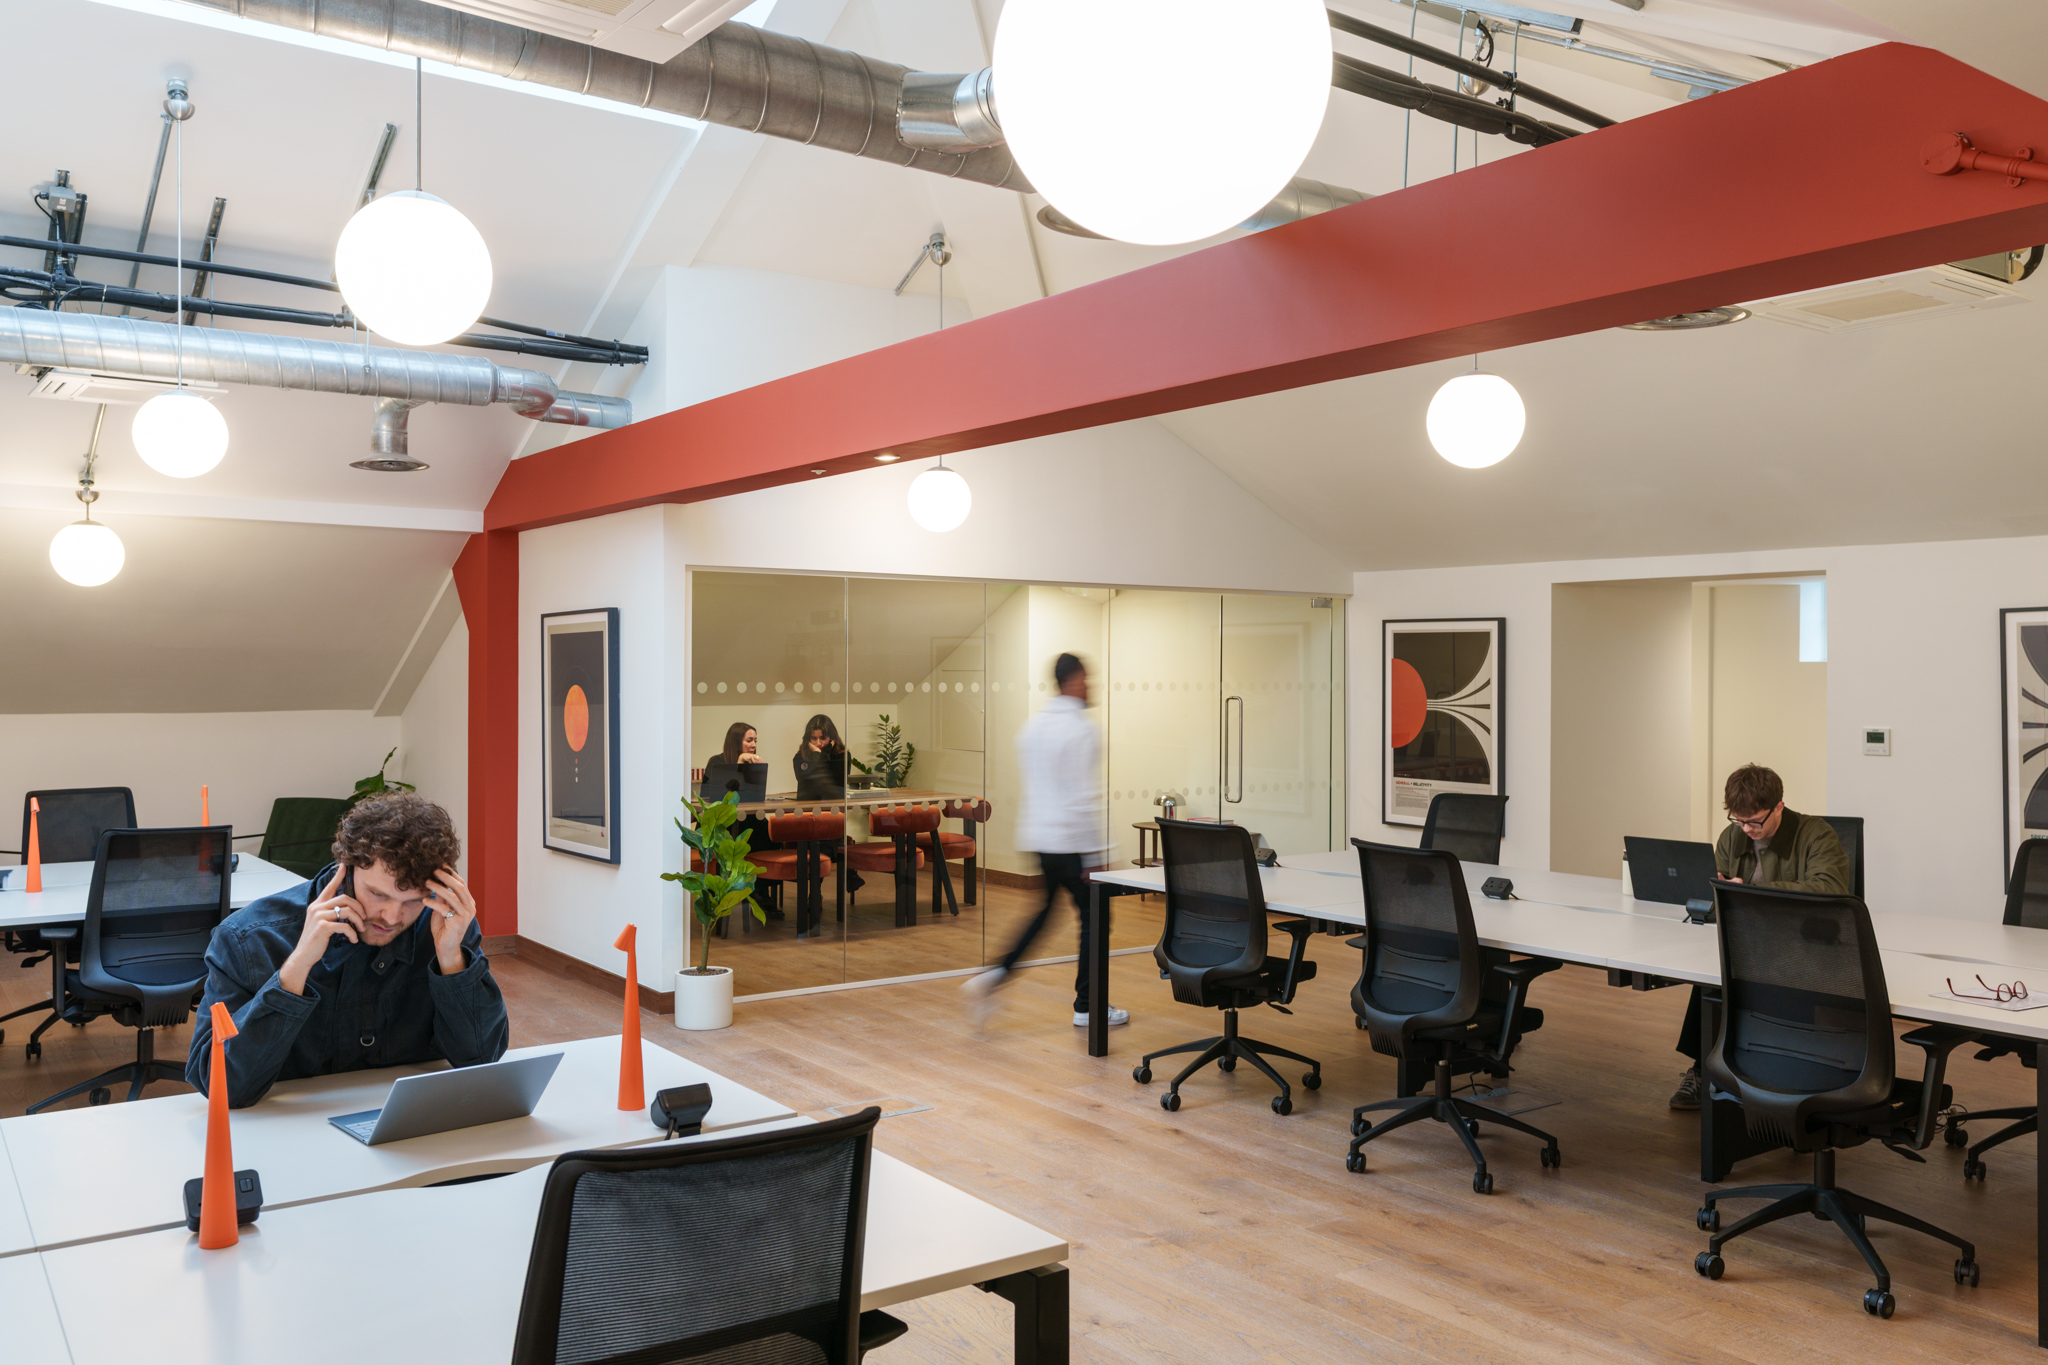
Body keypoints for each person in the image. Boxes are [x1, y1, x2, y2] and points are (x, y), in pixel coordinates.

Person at [187, 791, 509, 1108]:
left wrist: (453, 960)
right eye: (378, 894)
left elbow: (482, 1059)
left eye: (412, 901)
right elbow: (221, 1087)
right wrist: (296, 968)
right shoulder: (246, 940)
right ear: (347, 866)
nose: (392, 917)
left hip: (407, 1132)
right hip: (288, 1136)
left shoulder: (444, 926)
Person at [1667, 763, 1849, 1110]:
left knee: (1754, 974)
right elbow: (1715, 886)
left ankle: (1776, 1076)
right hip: (1750, 939)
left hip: (1804, 942)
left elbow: (1830, 888)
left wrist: (1751, 890)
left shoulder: (1816, 834)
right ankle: (1703, 1068)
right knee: (1712, 974)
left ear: (1779, 806)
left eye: (1755, 821)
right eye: (1739, 820)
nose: (1747, 829)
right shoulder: (1733, 835)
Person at [960, 653, 1124, 1029]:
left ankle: (995, 975)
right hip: (1072, 841)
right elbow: (1085, 795)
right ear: (1073, 680)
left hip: (1039, 838)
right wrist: (1097, 855)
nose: (1091, 686)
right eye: (1087, 679)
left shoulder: (1032, 727)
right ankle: (1088, 1006)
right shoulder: (1082, 728)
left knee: (1045, 912)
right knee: (1095, 918)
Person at [702, 721, 783, 919]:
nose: (753, 744)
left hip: (746, 819)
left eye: (755, 740)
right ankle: (730, 896)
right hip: (721, 823)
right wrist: (738, 764)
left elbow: (753, 795)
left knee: (766, 832)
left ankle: (760, 893)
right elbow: (713, 795)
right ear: (736, 742)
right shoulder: (716, 762)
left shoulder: (753, 764)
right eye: (749, 740)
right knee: (749, 831)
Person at [793, 713, 850, 799]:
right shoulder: (800, 757)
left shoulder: (842, 756)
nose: (818, 743)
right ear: (808, 739)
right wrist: (817, 755)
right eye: (814, 738)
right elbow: (810, 785)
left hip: (835, 805)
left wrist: (822, 755)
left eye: (822, 738)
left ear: (831, 737)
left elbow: (826, 784)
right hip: (808, 806)